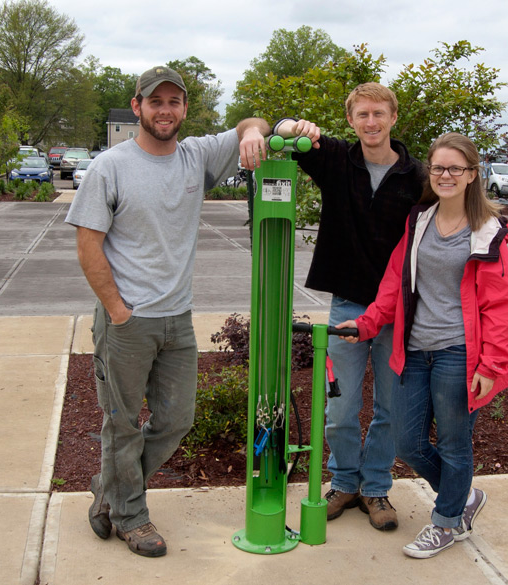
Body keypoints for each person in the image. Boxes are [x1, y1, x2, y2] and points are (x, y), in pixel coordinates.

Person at [65, 65, 318, 558]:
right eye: (154, 101)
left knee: (176, 419)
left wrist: (251, 135)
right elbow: (87, 245)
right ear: (137, 107)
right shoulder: (110, 167)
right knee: (120, 422)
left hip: (178, 319)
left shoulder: (196, 156)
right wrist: (118, 311)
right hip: (127, 321)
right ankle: (131, 517)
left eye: (174, 102)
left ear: (184, 109)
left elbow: (256, 121)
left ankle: (110, 488)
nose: (165, 110)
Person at [336, 132, 508, 558]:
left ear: (472, 175)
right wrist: (367, 323)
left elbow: (500, 303)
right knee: (408, 444)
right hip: (415, 348)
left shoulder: (486, 232)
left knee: (455, 443)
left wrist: (491, 365)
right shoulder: (419, 220)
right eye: (438, 167)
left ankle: (446, 523)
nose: (445, 175)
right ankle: (462, 498)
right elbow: (394, 281)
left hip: (460, 353)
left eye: (455, 168)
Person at [274, 82, 425, 531]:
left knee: (390, 410)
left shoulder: (417, 178)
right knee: (339, 408)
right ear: (351, 120)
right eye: (363, 115)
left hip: (399, 310)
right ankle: (343, 482)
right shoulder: (338, 159)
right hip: (347, 307)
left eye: (379, 114)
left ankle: (375, 488)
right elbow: (279, 131)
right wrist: (292, 125)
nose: (371, 123)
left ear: (394, 118)